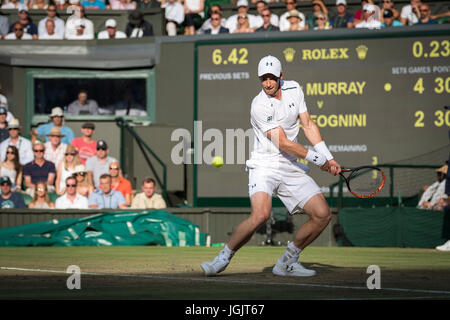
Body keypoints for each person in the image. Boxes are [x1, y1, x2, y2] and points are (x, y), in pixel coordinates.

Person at [201, 55, 341, 277]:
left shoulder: (295, 88)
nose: (267, 83)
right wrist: (318, 160)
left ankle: (286, 262)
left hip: (290, 165)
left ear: (281, 76)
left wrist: (328, 157)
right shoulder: (259, 105)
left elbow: (308, 124)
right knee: (261, 215)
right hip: (264, 164)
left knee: (322, 215)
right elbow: (283, 142)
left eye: (271, 78)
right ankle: (222, 258)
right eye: (263, 78)